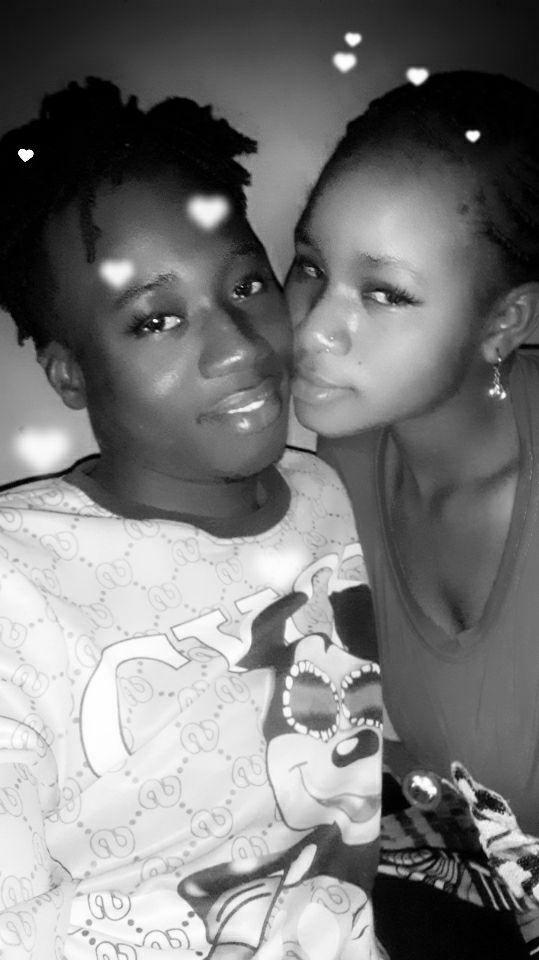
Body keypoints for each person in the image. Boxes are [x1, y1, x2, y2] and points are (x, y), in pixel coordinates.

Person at [0, 78, 385, 959]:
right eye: (157, 320)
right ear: (69, 374)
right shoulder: (18, 584)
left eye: (247, 284)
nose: (240, 348)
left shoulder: (330, 494)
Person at [285, 70, 539, 958]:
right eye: (309, 267)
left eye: (384, 293)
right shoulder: (341, 468)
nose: (311, 329)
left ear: (502, 321)